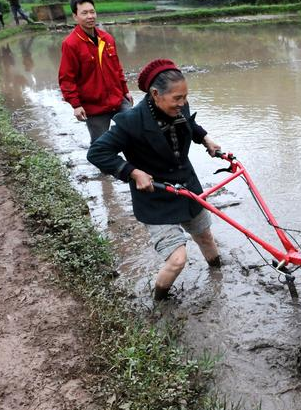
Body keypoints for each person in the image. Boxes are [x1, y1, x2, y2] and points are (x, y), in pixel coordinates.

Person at [87, 59, 222, 301]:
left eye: (185, 97)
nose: (182, 103)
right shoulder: (130, 122)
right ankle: (159, 303)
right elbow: (97, 152)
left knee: (205, 236)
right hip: (156, 195)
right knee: (177, 259)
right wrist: (132, 172)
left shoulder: (180, 106)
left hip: (187, 187)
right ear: (156, 94)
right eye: (177, 99)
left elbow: (189, 123)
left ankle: (218, 277)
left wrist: (205, 138)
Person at [58, 0, 132, 143]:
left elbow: (117, 68)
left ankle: (136, 165)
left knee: (137, 132)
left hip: (118, 100)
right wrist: (76, 105)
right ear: (75, 16)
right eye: (84, 13)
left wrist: (125, 90)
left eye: (92, 12)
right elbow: (67, 78)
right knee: (101, 146)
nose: (90, 16)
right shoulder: (71, 44)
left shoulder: (107, 38)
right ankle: (107, 165)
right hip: (94, 106)